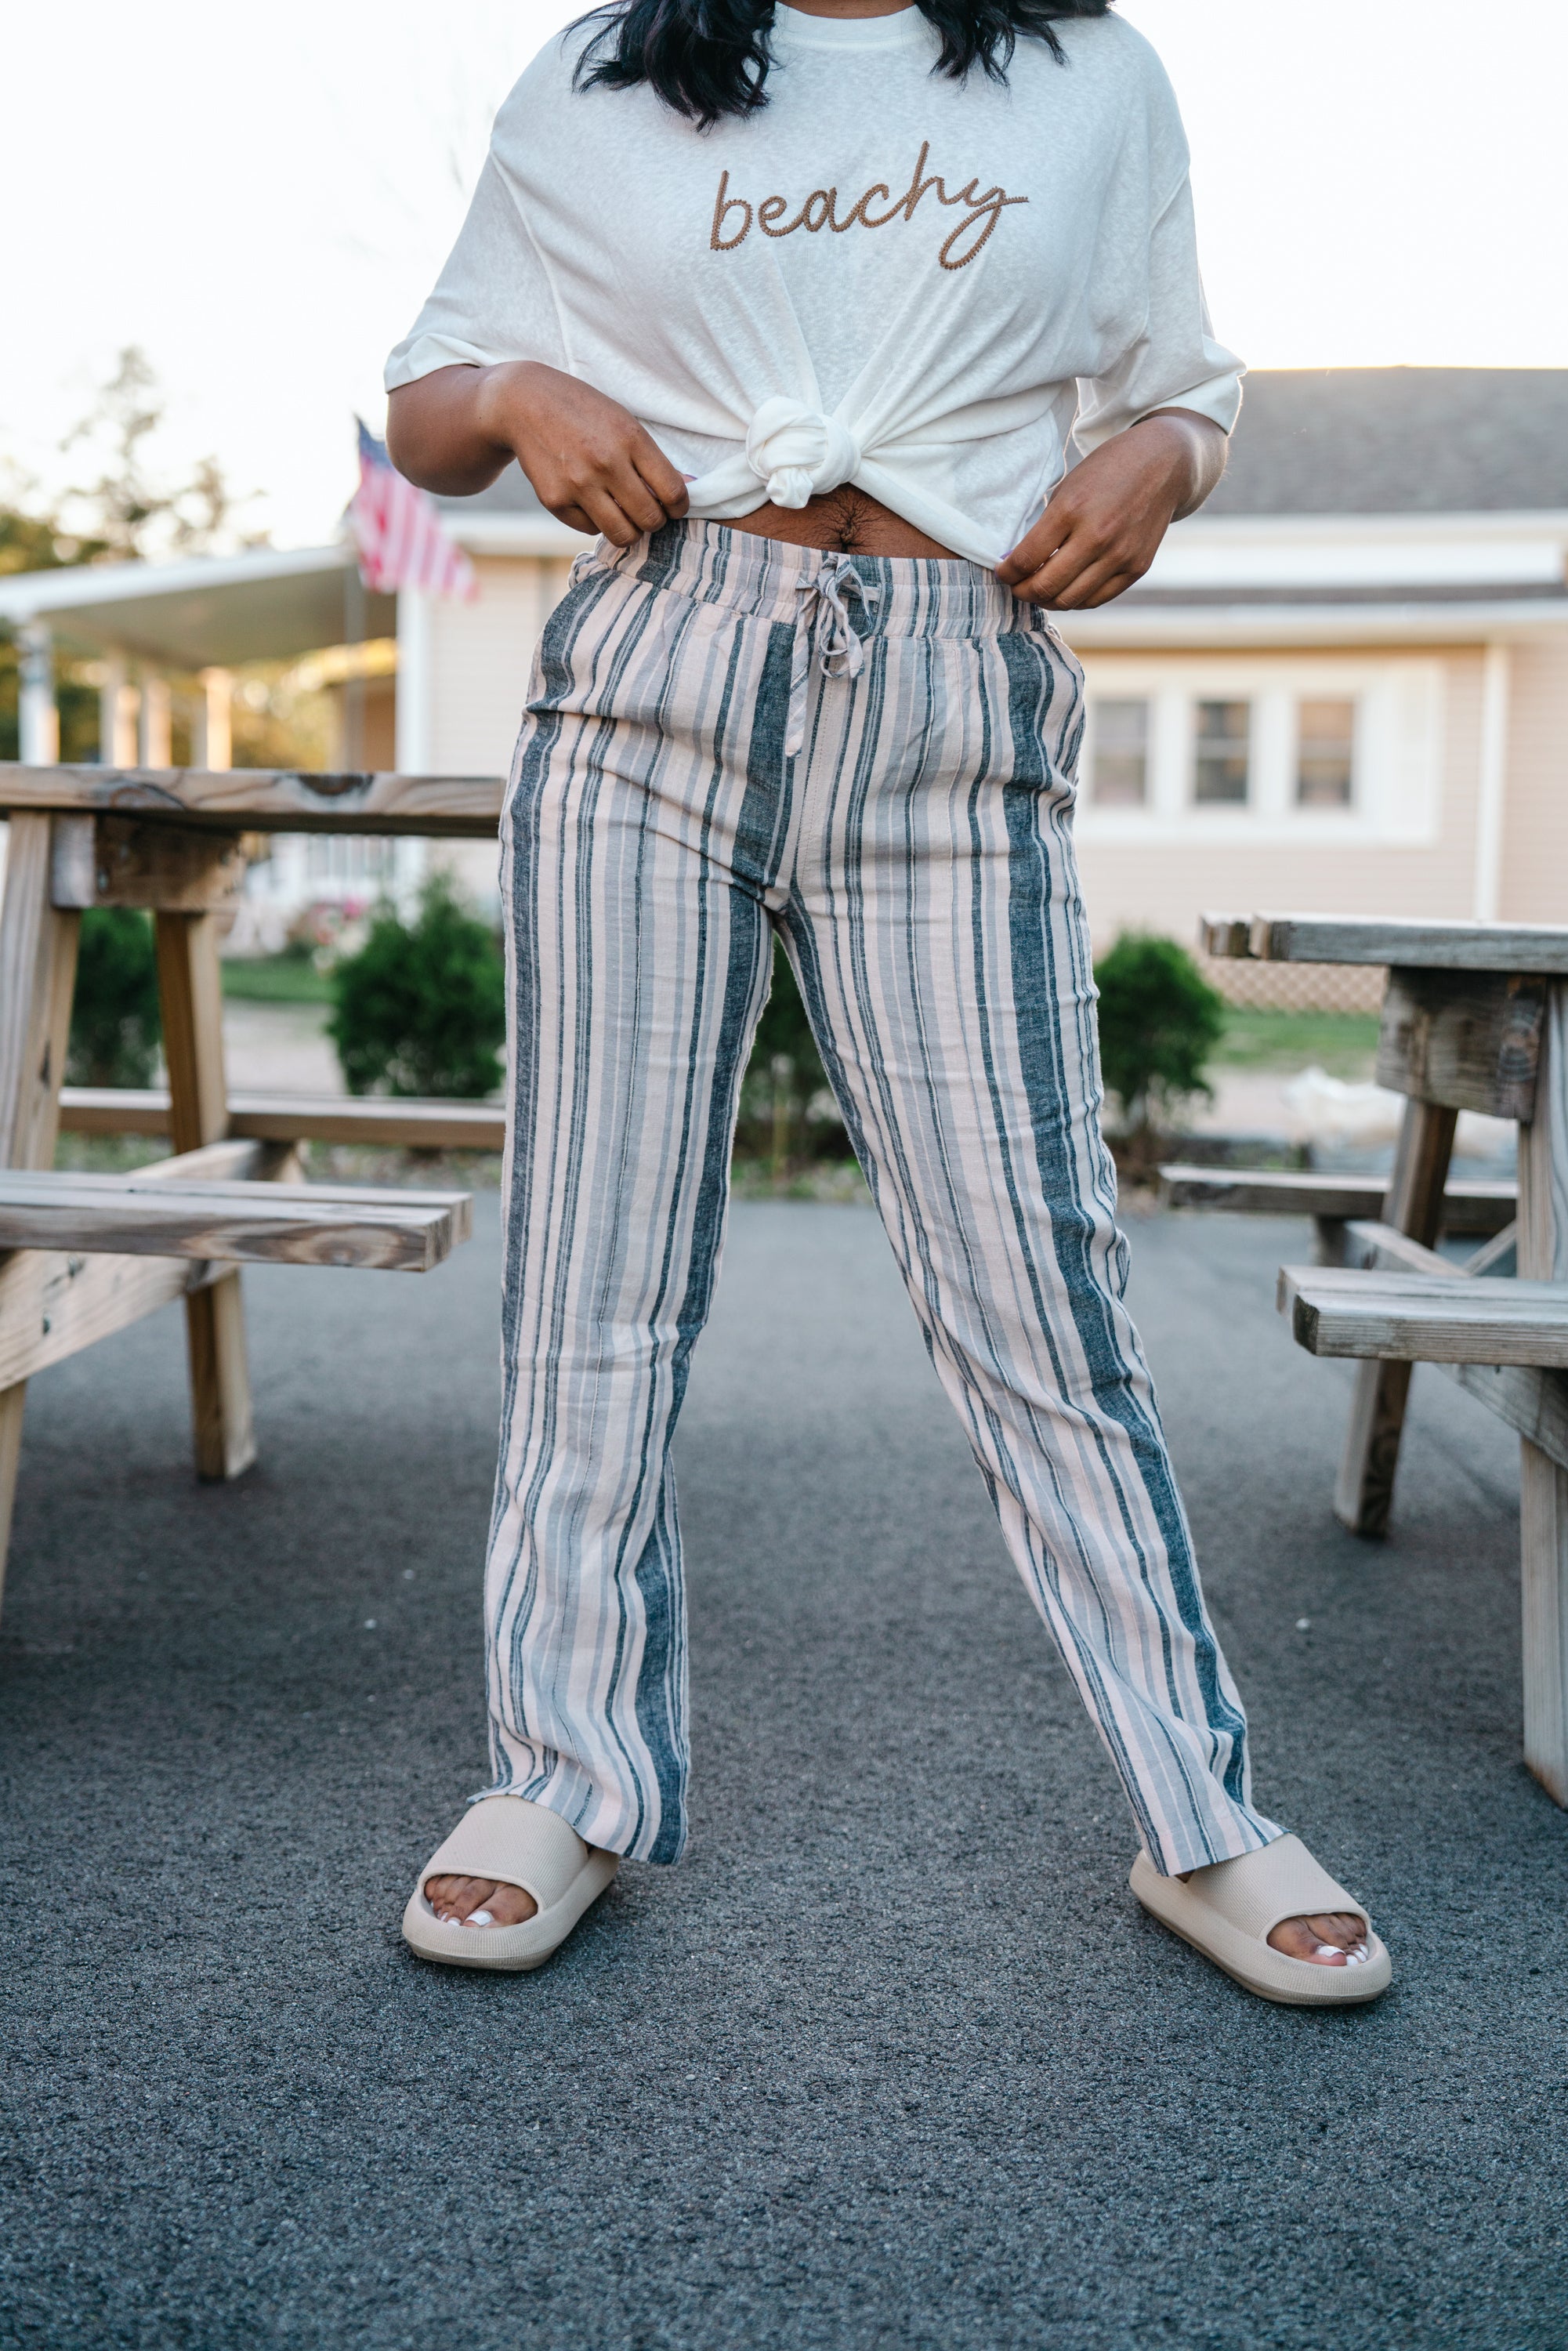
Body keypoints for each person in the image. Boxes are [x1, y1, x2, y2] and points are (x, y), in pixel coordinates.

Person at [385, 0, 1391, 2005]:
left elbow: (1186, 385)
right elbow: (422, 398)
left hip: (951, 694)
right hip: (658, 668)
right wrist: (512, 390)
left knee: (1039, 1273)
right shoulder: (602, 70)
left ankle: (1199, 1811)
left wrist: (1162, 461)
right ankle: (557, 1774)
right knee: (593, 1262)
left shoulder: (1086, 76)